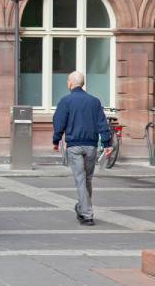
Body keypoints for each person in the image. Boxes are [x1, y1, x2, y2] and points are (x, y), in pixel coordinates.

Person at [53, 71, 113, 226]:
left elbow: (59, 121)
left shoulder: (66, 101)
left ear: (71, 83)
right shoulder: (94, 102)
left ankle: (87, 214)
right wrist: (107, 143)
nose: (67, 83)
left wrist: (56, 139)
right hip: (91, 146)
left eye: (67, 81)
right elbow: (102, 123)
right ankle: (82, 208)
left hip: (74, 146)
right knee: (87, 179)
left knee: (80, 179)